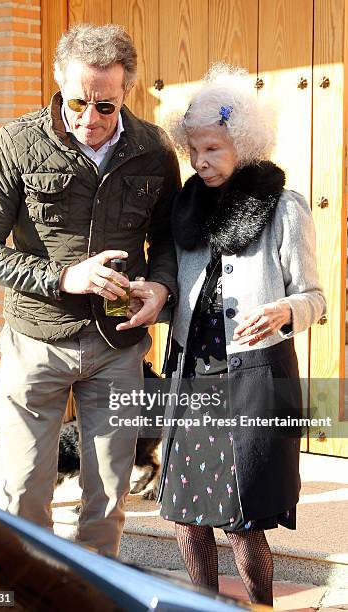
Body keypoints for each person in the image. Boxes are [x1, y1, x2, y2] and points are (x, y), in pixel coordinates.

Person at [0, 23, 180, 558]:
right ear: (58, 82)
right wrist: (63, 276)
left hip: (118, 345)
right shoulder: (17, 142)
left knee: (109, 496)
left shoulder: (152, 149)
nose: (90, 118)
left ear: (127, 90)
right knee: (28, 493)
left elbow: (170, 240)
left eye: (106, 105)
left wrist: (162, 288)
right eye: (79, 101)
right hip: (36, 342)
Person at [157, 64, 326, 605]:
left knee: (241, 521)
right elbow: (181, 291)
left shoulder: (282, 205)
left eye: (213, 149)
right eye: (193, 150)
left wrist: (283, 311)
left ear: (244, 143)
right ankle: (202, 603)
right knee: (186, 518)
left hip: (252, 379)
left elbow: (315, 299)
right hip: (191, 378)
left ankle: (259, 607)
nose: (200, 162)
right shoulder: (185, 209)